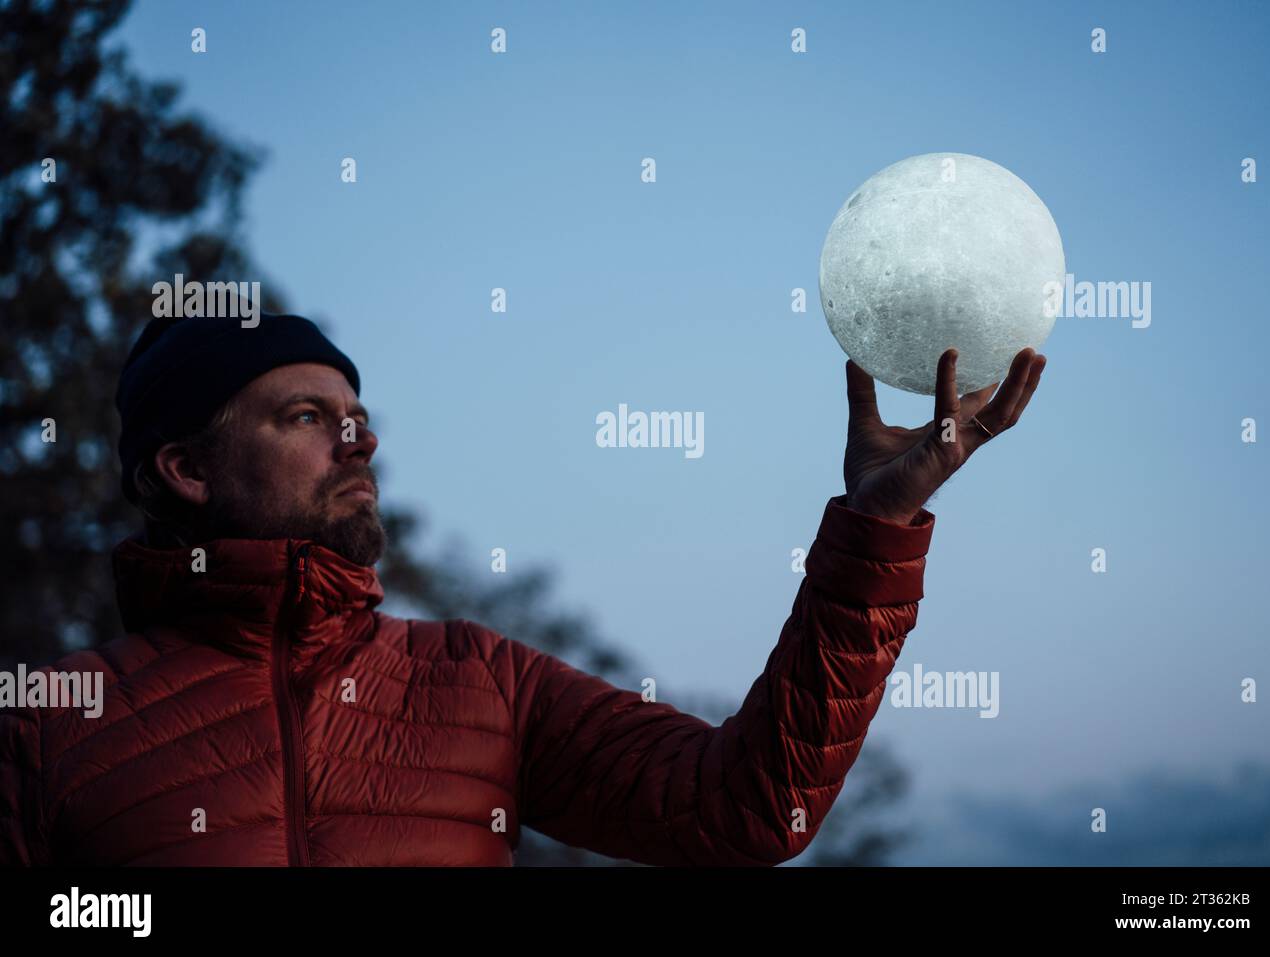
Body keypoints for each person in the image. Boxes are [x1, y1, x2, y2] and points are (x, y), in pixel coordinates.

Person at [0, 313, 1046, 866]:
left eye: (356, 411)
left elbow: (748, 811)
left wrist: (878, 525)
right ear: (186, 470)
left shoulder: (479, 684)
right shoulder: (50, 726)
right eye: (305, 416)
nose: (359, 436)